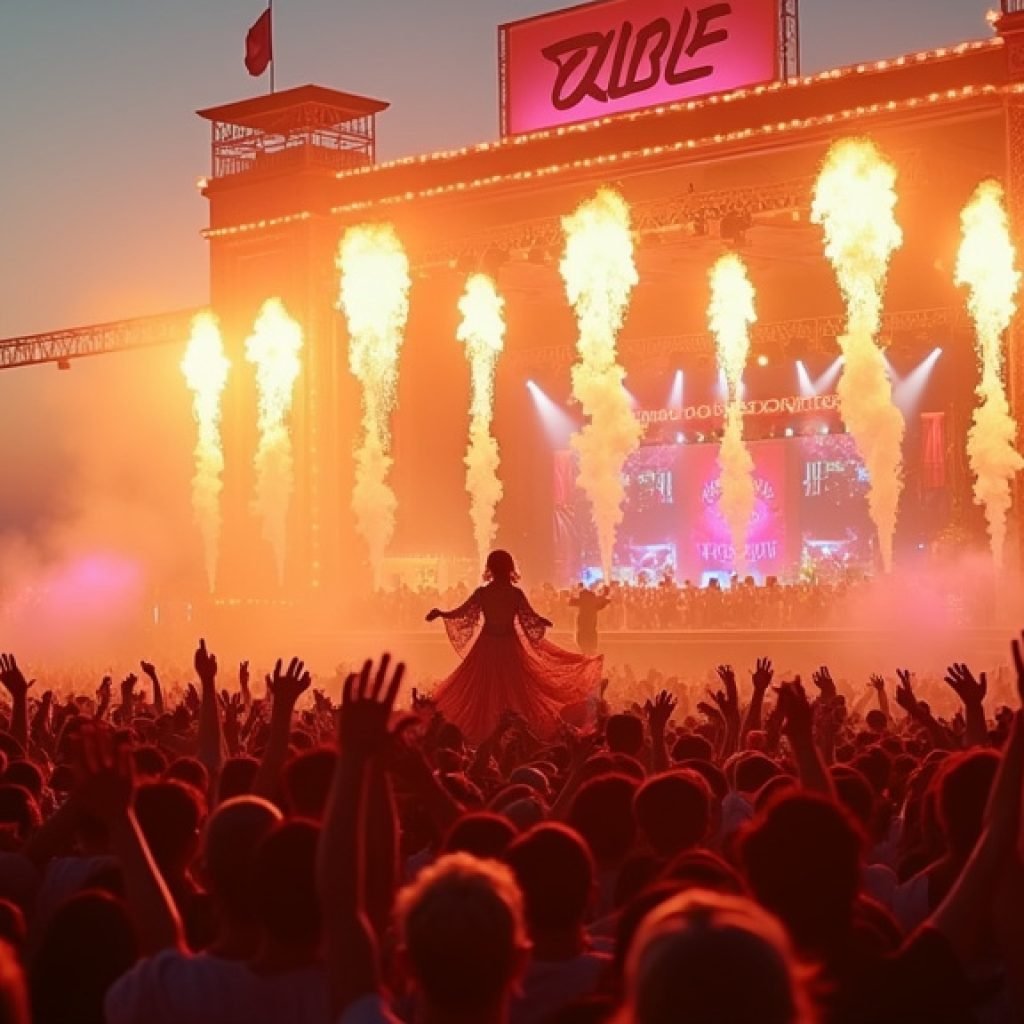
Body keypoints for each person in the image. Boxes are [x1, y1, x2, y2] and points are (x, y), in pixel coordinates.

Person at [426, 551, 603, 742]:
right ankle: (514, 734)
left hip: (487, 647)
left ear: (490, 568)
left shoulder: (483, 593)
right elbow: (530, 617)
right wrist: (540, 621)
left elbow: (462, 613)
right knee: (517, 692)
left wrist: (442, 613)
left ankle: (485, 734)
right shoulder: (514, 594)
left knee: (481, 691)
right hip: (509, 647)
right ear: (509, 568)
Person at [569, 585, 610, 656]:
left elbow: (571, 601)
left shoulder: (582, 600)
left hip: (583, 626)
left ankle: (585, 651)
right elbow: (603, 602)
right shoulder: (594, 601)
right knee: (589, 639)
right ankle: (590, 651)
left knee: (583, 639)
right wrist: (605, 595)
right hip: (590, 626)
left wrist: (573, 592)